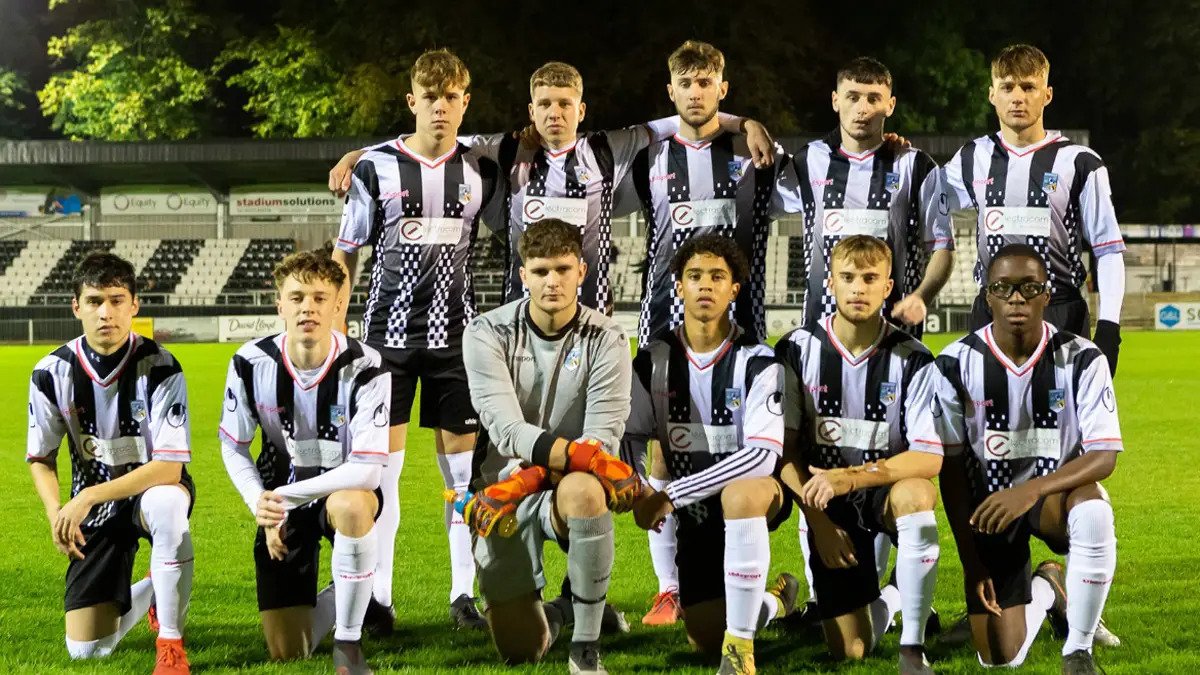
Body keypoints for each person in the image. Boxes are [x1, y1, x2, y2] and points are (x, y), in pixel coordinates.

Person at [328, 60, 774, 313]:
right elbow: (431, 138)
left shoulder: (607, 148)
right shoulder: (506, 149)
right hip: (521, 313)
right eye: (544, 104)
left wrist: (746, 123)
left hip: (591, 310)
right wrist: (359, 154)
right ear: (532, 110)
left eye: (564, 104)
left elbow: (686, 117)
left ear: (582, 110)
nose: (554, 113)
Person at [776, 54, 953, 625]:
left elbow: (942, 245)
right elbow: (748, 188)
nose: (863, 107)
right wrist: (745, 125)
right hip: (820, 341)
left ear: (890, 105)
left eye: (874, 97)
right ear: (835, 100)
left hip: (892, 340)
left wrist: (920, 294)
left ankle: (890, 596)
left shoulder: (914, 165)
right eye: (852, 95)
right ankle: (831, 595)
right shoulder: (807, 162)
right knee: (821, 453)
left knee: (885, 453)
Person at [333, 47, 503, 630]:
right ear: (412, 102)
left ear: (465, 103)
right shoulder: (375, 168)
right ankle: (379, 598)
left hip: (458, 343)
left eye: (451, 97)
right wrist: (338, 329)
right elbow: (346, 254)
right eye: (430, 97)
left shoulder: (482, 169)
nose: (440, 108)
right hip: (386, 345)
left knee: (462, 481)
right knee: (384, 475)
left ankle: (462, 595)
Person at [930, 243, 1120, 675]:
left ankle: (1078, 651)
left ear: (1046, 295)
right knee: (1000, 659)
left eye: (1029, 287)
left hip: (1053, 499)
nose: (1016, 298)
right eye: (1003, 287)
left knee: (1093, 509)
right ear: (987, 296)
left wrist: (1030, 491)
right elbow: (952, 473)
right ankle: (1049, 589)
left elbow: (1104, 455)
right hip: (989, 511)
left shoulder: (1083, 358)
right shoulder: (954, 364)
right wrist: (972, 563)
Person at [462, 218, 640, 674]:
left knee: (586, 489)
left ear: (582, 271)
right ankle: (564, 611)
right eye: (541, 271)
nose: (552, 281)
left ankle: (585, 647)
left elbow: (601, 440)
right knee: (522, 651)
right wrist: (564, 463)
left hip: (563, 485)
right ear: (523, 275)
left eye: (562, 269)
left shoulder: (608, 338)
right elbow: (507, 431)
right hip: (499, 493)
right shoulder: (486, 332)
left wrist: (542, 474)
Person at [625, 234, 799, 674]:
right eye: (695, 276)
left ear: (734, 289)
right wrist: (639, 487)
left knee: (740, 494)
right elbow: (629, 435)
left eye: (717, 276)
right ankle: (774, 602)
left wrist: (669, 495)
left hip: (754, 499)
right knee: (703, 636)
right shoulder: (652, 360)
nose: (705, 285)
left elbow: (762, 456)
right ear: (678, 286)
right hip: (696, 512)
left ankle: (739, 651)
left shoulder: (759, 360)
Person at [775, 235, 943, 674]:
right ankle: (897, 592)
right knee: (850, 651)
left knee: (916, 494)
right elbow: (783, 451)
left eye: (870, 279)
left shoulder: (914, 358)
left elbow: (928, 457)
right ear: (830, 282)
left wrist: (850, 476)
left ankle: (913, 647)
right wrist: (818, 523)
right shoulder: (796, 349)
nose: (858, 288)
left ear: (888, 287)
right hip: (826, 506)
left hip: (882, 492)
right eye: (848, 277)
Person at [219, 249, 391, 674]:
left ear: (338, 305)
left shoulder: (366, 365)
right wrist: (260, 502)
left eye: (319, 298)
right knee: (287, 651)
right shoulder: (249, 363)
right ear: (280, 304)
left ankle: (348, 643)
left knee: (352, 505)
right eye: (296, 298)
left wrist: (282, 498)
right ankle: (351, 589)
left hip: (340, 491)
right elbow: (233, 446)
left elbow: (367, 469)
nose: (307, 308)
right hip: (280, 499)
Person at [27, 251, 195, 674]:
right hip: (96, 510)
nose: (106, 312)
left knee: (167, 505)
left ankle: (170, 642)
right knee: (86, 651)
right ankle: (157, 586)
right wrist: (56, 513)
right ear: (76, 307)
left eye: (117, 300)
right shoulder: (50, 372)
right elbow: (41, 457)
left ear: (134, 305)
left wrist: (87, 496)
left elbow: (169, 468)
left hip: (150, 490)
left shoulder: (161, 366)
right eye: (95, 301)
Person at [942, 44, 1126, 374]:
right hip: (991, 310)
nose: (1017, 97)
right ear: (992, 95)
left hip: (1060, 311)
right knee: (988, 407)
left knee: (1060, 408)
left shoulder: (1080, 162)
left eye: (1028, 87)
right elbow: (922, 202)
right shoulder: (971, 158)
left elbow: (1108, 248)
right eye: (1007, 87)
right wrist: (891, 153)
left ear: (1047, 95)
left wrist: (1110, 328)